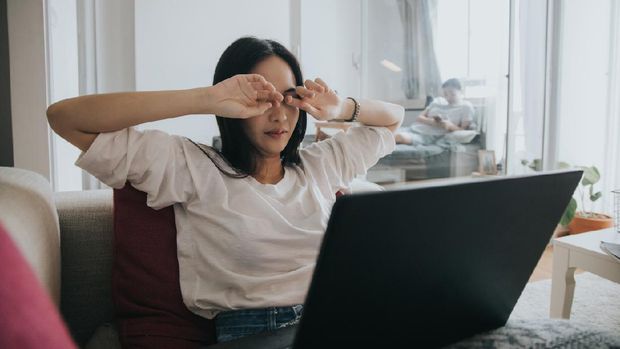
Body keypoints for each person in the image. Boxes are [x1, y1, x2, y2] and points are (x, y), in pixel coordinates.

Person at [46, 37, 403, 343]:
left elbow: (392, 119)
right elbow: (66, 118)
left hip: (336, 321)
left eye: (289, 97)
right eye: (264, 99)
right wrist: (205, 99)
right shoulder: (192, 166)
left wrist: (343, 108)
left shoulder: (321, 165)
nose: (280, 115)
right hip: (254, 335)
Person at [394, 78, 475, 145]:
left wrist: (449, 126)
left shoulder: (466, 107)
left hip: (428, 136)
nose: (448, 98)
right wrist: (432, 122)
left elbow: (463, 131)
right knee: (386, 132)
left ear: (461, 91)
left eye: (452, 94)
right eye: (445, 94)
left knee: (398, 137)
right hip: (413, 128)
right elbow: (419, 118)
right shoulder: (438, 101)